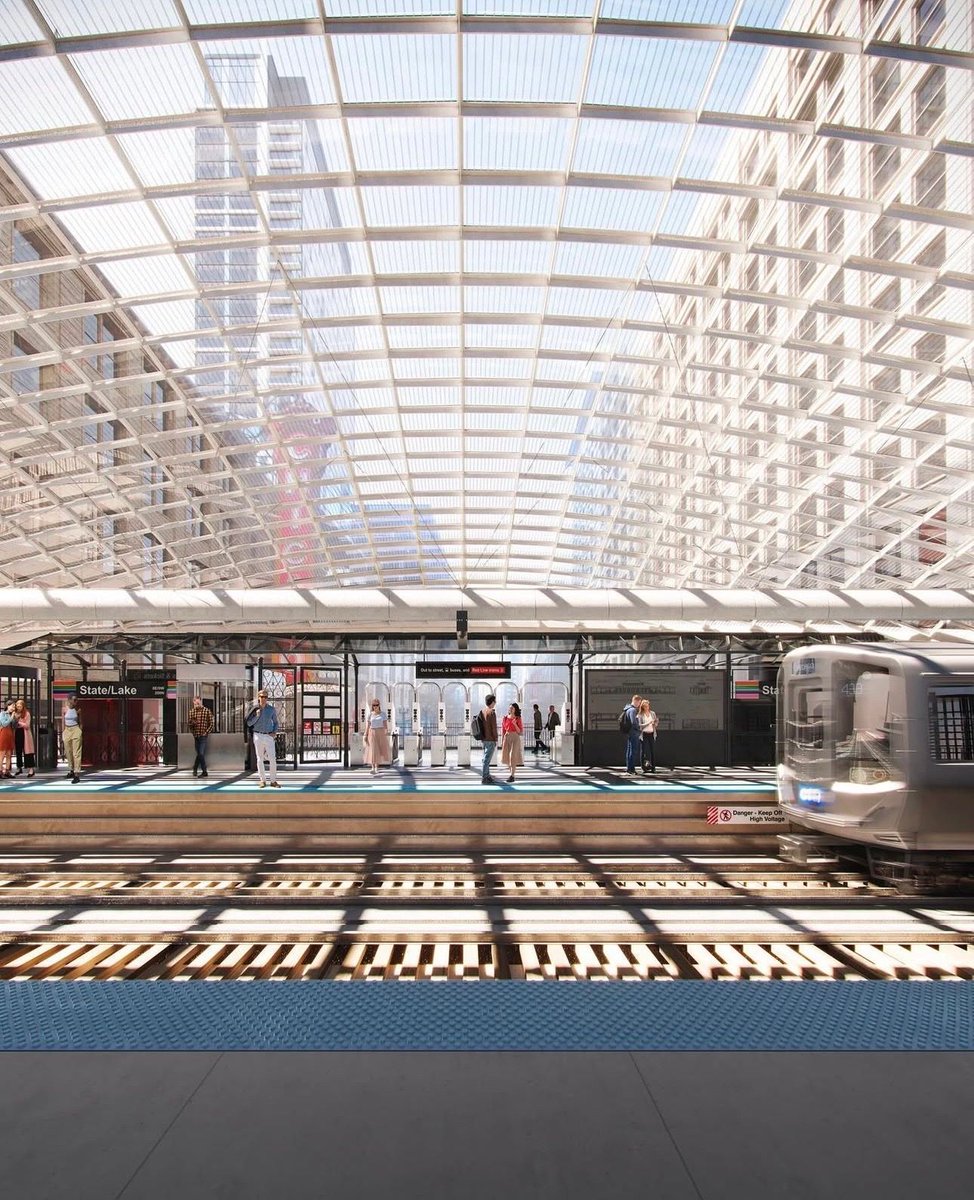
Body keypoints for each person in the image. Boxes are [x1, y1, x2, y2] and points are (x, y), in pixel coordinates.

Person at [245, 689, 281, 788]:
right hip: (258, 735)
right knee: (260, 759)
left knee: (272, 759)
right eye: (261, 697)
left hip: (269, 735)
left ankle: (273, 781)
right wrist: (257, 716)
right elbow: (249, 723)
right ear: (258, 697)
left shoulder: (271, 709)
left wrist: (274, 732)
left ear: (267, 698)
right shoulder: (254, 709)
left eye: (265, 697)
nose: (263, 699)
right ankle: (262, 781)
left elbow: (276, 722)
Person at [187, 695, 214, 778]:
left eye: (198, 702)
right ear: (193, 702)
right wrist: (193, 729)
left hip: (203, 736)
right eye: (195, 703)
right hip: (196, 736)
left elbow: (211, 723)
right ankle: (195, 768)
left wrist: (206, 732)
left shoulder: (206, 711)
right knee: (199, 753)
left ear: (201, 701)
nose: (197, 704)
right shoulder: (191, 712)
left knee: (201, 753)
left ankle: (204, 771)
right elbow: (189, 724)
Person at [364, 699, 390, 776]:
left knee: (378, 750)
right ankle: (372, 767)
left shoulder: (383, 714)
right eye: (373, 705)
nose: (375, 707)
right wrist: (365, 734)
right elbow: (368, 726)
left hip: (380, 732)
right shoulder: (370, 714)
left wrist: (386, 732)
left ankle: (376, 767)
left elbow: (385, 725)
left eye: (376, 705)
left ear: (379, 705)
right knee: (373, 750)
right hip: (372, 732)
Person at [501, 702, 524, 783]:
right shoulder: (505, 718)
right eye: (510, 707)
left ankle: (512, 775)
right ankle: (511, 774)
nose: (510, 709)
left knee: (512, 756)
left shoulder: (518, 718)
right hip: (507, 737)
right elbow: (503, 730)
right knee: (507, 756)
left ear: (515, 709)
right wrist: (502, 740)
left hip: (515, 737)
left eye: (512, 708)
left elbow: (520, 732)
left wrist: (515, 724)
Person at [62, 694, 82, 784]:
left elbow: (81, 721)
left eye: (76, 700)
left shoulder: (78, 710)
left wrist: (80, 730)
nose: (75, 702)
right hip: (67, 730)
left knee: (76, 753)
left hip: (75, 729)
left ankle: (77, 774)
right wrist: (63, 732)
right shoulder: (64, 709)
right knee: (68, 751)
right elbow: (63, 720)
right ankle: (71, 769)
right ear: (69, 700)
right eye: (74, 700)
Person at [13, 698, 35, 777]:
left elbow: (27, 725)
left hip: (25, 734)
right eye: (17, 706)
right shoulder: (14, 713)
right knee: (18, 751)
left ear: (23, 706)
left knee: (28, 752)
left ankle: (31, 770)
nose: (18, 708)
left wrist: (19, 722)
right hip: (17, 733)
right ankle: (19, 768)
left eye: (20, 706)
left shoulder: (27, 713)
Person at [479, 694, 498, 784]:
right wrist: (496, 738)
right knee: (487, 759)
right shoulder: (492, 712)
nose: (495, 703)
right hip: (490, 739)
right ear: (492, 702)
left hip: (484, 738)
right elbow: (493, 727)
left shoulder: (483, 711)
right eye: (495, 701)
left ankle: (487, 775)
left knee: (485, 758)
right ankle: (484, 777)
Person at [638, 698, 659, 774]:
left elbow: (655, 725)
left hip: (651, 734)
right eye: (645, 706)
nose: (647, 707)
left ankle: (653, 767)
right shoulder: (640, 715)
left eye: (648, 706)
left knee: (652, 751)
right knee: (643, 751)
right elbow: (640, 726)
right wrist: (648, 723)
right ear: (643, 707)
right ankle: (643, 767)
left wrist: (655, 723)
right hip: (644, 734)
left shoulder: (652, 713)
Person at [622, 694, 641, 775]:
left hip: (630, 732)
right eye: (639, 702)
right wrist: (639, 728)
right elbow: (633, 722)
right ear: (636, 701)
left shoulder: (627, 709)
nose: (639, 704)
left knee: (629, 750)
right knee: (633, 751)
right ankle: (631, 769)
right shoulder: (632, 710)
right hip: (634, 733)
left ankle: (629, 768)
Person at [0, 702, 15, 778]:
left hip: (10, 734)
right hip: (3, 733)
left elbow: (15, 725)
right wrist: (11, 718)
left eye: (14, 706)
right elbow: (4, 723)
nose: (13, 708)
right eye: (12, 706)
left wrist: (15, 718)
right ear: (7, 706)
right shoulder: (3, 713)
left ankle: (7, 771)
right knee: (2, 754)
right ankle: (0, 771)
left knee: (9, 754)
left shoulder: (12, 714)